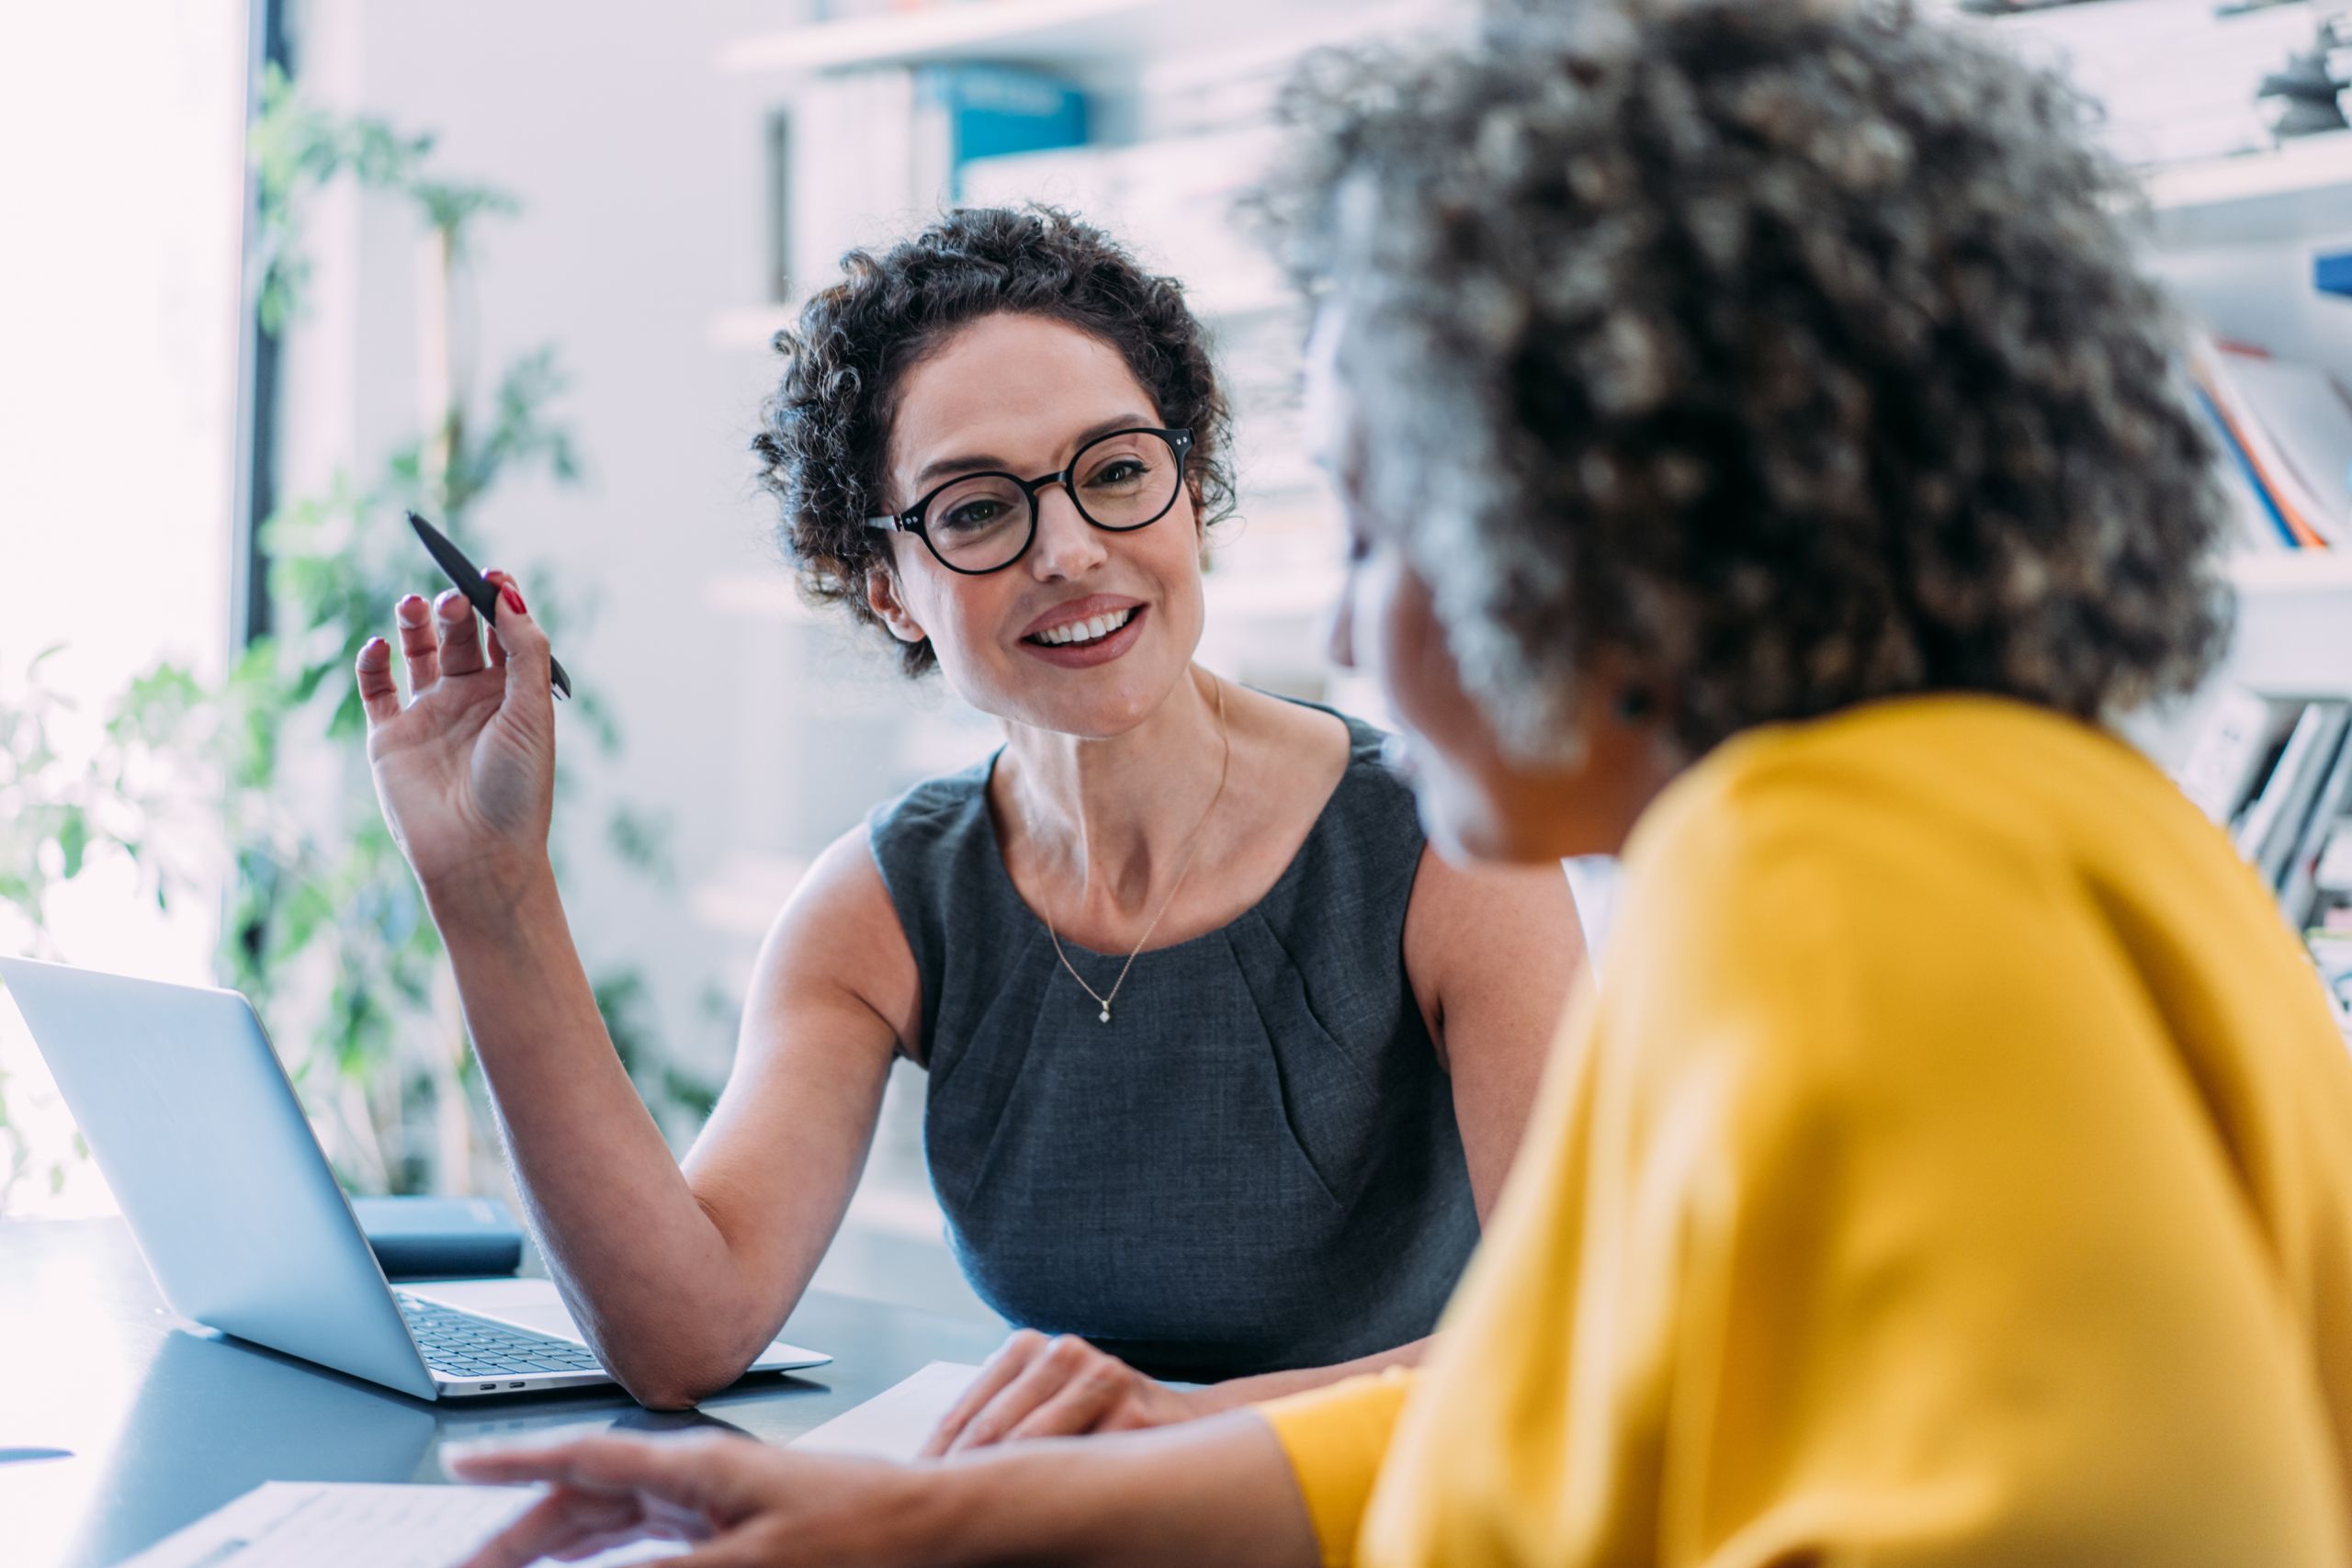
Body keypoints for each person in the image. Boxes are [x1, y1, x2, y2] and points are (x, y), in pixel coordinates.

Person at [446, 2, 2352, 1564]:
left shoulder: (1839, 875)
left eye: (1375, 531)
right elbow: (1565, 1411)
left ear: (1601, 521)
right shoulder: (1969, 815)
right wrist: (956, 1519)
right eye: (977, 511)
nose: (1347, 645)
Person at [354, 207, 1582, 1429]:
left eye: (1116, 473)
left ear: (1192, 494)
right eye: (978, 509)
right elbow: (682, 1331)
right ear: (886, 589)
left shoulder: (1452, 847)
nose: (1069, 550)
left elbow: (1584, 1338)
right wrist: (489, 885)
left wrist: (1176, 1434)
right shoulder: (882, 906)